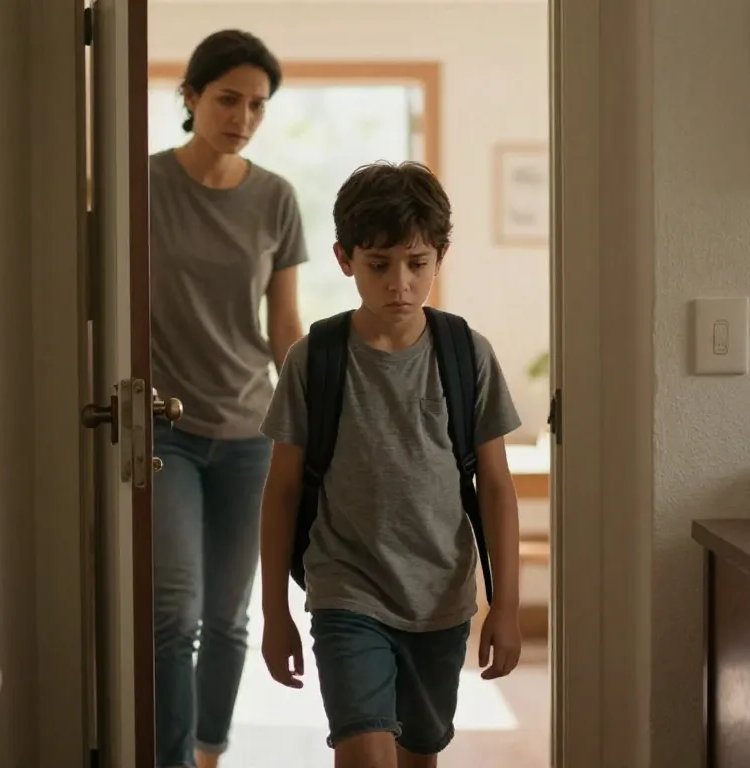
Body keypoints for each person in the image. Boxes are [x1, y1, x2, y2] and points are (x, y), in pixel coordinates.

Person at [257, 161, 523, 768]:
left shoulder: (465, 354)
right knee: (366, 756)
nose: (399, 283)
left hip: (441, 599)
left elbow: (497, 489)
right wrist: (275, 612)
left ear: (439, 256)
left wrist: (504, 605)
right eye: (378, 265)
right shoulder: (314, 359)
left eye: (416, 263)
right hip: (345, 589)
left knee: (417, 756)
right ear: (345, 258)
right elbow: (281, 492)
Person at [149, 29, 307, 768]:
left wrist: (312, 418)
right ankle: (173, 760)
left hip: (251, 431)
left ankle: (212, 753)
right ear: (189, 97)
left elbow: (283, 325)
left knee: (229, 617)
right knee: (172, 614)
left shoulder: (275, 198)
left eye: (257, 105)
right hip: (162, 430)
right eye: (227, 98)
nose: (242, 116)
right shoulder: (139, 185)